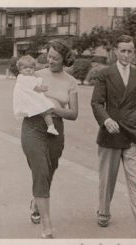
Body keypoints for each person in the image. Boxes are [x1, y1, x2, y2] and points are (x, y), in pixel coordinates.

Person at [91, 35, 136, 239]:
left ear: (134, 52)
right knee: (107, 180)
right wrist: (106, 120)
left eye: (130, 51)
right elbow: (96, 103)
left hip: (133, 134)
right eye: (122, 50)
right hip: (110, 134)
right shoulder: (105, 74)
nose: (126, 55)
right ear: (115, 51)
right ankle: (103, 212)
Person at [20, 39, 78, 238]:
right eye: (49, 56)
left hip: (56, 129)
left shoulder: (70, 82)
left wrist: (54, 109)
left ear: (64, 60)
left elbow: (74, 114)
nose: (50, 60)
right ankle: (47, 226)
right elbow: (21, 94)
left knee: (49, 171)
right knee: (41, 169)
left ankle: (37, 203)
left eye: (55, 58)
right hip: (33, 127)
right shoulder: (36, 74)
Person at [13, 55, 59, 135]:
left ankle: (50, 127)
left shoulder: (24, 77)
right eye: (25, 68)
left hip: (28, 100)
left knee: (44, 111)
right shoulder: (24, 78)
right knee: (45, 110)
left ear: (34, 69)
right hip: (30, 99)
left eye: (31, 68)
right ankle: (51, 126)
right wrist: (42, 88)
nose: (28, 69)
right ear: (20, 70)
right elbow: (35, 88)